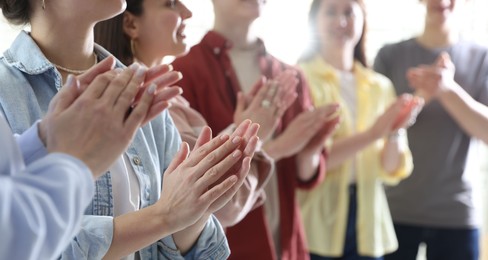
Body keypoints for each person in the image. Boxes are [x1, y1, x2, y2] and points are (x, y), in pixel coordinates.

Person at [0, 0, 261, 259]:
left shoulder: (141, 89)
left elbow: (186, 247)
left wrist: (197, 206)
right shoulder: (5, 94)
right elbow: (23, 242)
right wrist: (164, 217)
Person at [94, 0, 300, 228]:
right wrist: (251, 134)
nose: (188, 12)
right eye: (171, 4)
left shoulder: (165, 94)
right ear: (131, 24)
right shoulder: (146, 98)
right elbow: (215, 202)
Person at [171, 0, 341, 259]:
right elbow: (191, 182)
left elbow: (303, 177)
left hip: (287, 242)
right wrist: (280, 147)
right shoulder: (184, 72)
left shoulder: (289, 74)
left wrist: (311, 149)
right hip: (228, 244)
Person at [1, 57, 170, 260]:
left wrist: (44, 140)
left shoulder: (132, 86)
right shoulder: (7, 89)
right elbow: (13, 238)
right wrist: (75, 164)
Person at [296, 0, 423, 259]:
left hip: (369, 224)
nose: (341, 21)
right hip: (316, 222)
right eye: (331, 12)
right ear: (314, 20)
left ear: (362, 21)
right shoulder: (300, 78)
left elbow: (389, 169)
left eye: (349, 13)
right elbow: (307, 165)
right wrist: (373, 134)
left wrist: (394, 132)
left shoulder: (380, 86)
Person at [373, 0, 488, 259]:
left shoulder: (481, 58)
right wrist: (423, 94)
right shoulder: (390, 56)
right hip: (396, 209)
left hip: (457, 214)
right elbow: (376, 128)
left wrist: (447, 90)